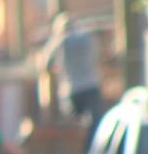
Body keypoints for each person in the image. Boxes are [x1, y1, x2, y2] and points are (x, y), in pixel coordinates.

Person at [43, 13, 103, 141]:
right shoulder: (86, 37)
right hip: (91, 85)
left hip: (71, 89)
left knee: (72, 128)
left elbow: (46, 64)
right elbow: (96, 57)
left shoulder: (58, 41)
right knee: (94, 125)